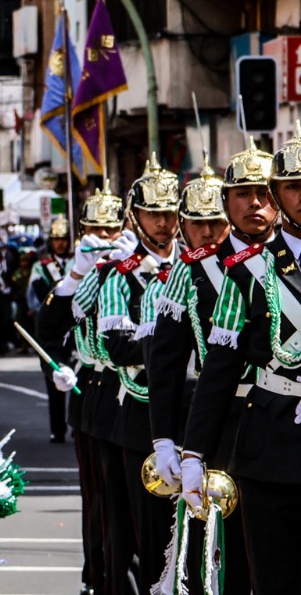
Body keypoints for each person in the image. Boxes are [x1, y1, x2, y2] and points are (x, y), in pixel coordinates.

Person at [181, 138, 298, 593]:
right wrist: (192, 452)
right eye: (291, 186)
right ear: (278, 193)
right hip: (270, 444)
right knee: (273, 578)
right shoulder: (248, 272)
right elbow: (219, 369)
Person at [147, 155, 244, 595]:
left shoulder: (270, 260)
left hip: (274, 410)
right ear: (184, 226)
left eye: (216, 222)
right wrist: (165, 438)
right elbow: (165, 361)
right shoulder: (190, 269)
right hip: (217, 419)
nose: (209, 232)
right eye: (198, 223)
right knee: (220, 549)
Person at [93, 157, 181, 592]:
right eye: (154, 214)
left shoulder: (197, 266)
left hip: (196, 408)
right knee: (148, 532)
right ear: (135, 217)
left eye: (170, 213)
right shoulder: (120, 275)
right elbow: (116, 346)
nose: (164, 223)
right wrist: (168, 342)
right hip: (140, 414)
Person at [46, 183, 129, 595]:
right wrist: (77, 274)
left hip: (137, 393)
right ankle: (97, 576)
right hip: (94, 390)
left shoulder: (134, 267)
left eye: (111, 230)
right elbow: (51, 330)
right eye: (95, 230)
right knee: (99, 499)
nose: (104, 239)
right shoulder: (77, 274)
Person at [29, 216, 73, 444]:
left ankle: (76, 425)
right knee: (55, 378)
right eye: (56, 240)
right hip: (51, 329)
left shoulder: (78, 261)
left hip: (75, 328)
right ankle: (57, 429)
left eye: (64, 239)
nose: (60, 244)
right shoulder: (41, 266)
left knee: (79, 378)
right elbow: (34, 297)